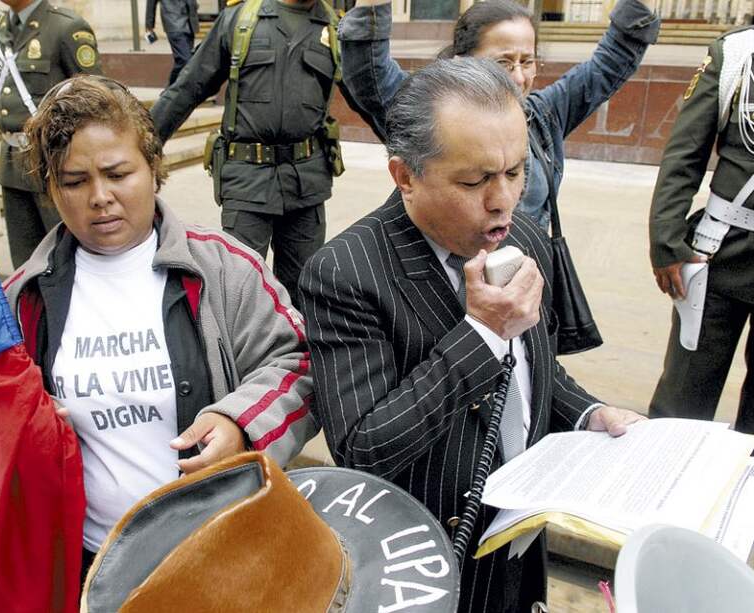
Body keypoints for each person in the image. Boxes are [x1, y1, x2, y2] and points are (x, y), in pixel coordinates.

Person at [298, 58, 644, 612]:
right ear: (405, 176)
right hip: (424, 554)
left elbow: (534, 364)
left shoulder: (526, 236)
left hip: (521, 541)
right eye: (475, 180)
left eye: (515, 171)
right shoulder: (345, 272)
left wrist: (587, 413)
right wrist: (481, 333)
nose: (502, 198)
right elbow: (362, 448)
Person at [4, 75, 317, 578]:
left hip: (222, 551)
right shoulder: (24, 300)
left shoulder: (225, 268)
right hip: (98, 563)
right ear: (50, 190)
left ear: (153, 168)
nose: (100, 197)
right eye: (74, 181)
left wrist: (241, 424)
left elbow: (299, 362)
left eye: (117, 173)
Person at [338, 0, 659, 230]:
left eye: (527, 61)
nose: (518, 77)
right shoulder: (427, 114)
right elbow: (370, 71)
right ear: (462, 62)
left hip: (523, 286)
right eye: (503, 63)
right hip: (440, 295)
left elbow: (608, 66)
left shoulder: (543, 116)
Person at [150, 0, 370, 306]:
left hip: (305, 185)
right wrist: (141, 147)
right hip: (247, 181)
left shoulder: (335, 30)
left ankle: (296, 355)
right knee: (239, 292)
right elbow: (187, 88)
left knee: (304, 293)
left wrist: (412, 150)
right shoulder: (241, 19)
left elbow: (368, 97)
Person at [648, 27, 754, 434]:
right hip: (722, 249)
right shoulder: (735, 54)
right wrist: (667, 243)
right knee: (683, 401)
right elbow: (684, 154)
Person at [0, 0, 103, 268]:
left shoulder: (66, 27)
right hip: (14, 163)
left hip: (55, 163)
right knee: (26, 262)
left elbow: (96, 100)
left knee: (64, 256)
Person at [145, 0, 200, 85]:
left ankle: (176, 91)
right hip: (172, 22)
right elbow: (151, 3)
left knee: (185, 61)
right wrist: (149, 25)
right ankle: (170, 90)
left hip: (190, 23)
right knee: (185, 59)